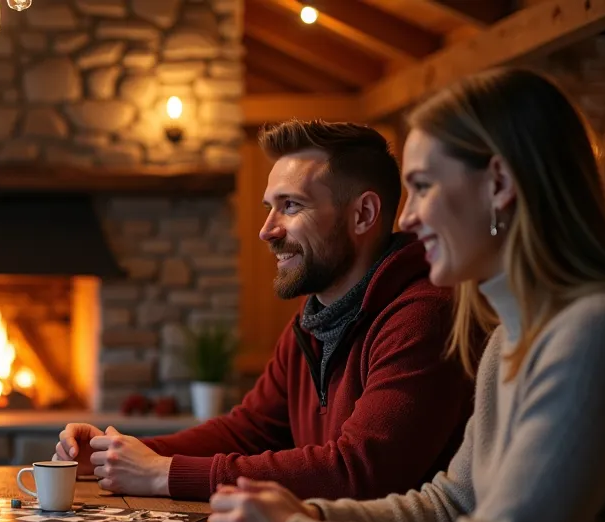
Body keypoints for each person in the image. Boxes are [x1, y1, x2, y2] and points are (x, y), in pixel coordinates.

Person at [210, 68, 605, 522]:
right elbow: (449, 504)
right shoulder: (507, 342)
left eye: (421, 187)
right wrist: (308, 514)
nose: (405, 217)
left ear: (498, 184)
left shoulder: (600, 333)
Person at [56, 121, 478, 501]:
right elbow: (248, 431)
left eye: (291, 206)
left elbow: (358, 472)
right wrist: (120, 454)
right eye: (268, 207)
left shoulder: (425, 315)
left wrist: (163, 474)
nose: (267, 230)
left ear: (363, 214)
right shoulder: (314, 319)